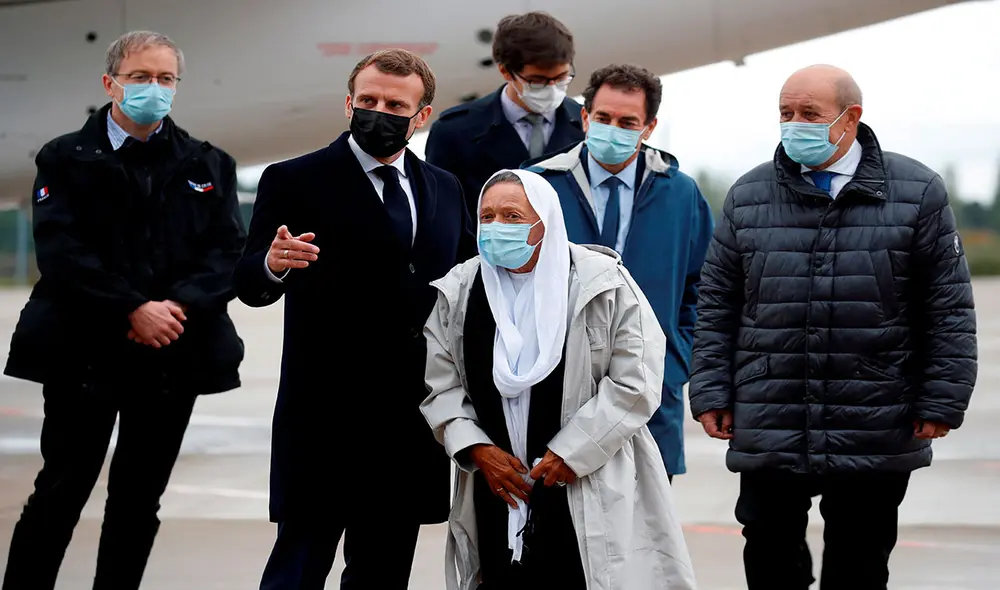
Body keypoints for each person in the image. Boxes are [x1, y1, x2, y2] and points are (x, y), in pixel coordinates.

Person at [689, 64, 978, 590]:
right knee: (770, 557)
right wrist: (710, 390)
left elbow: (948, 308)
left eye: (809, 113)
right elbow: (716, 303)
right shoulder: (749, 194)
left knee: (859, 562)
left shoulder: (917, 192)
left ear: (851, 118)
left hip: (874, 413)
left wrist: (942, 399)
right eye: (786, 113)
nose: (794, 124)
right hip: (771, 412)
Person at [2, 31, 247, 590]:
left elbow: (227, 253)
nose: (153, 88)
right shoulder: (64, 157)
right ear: (110, 83)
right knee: (61, 489)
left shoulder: (209, 163)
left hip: (170, 355)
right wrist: (133, 308)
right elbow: (62, 253)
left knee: (138, 500)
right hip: (83, 354)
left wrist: (173, 309)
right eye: (140, 77)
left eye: (165, 79)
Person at [234, 48, 476, 590]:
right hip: (325, 418)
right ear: (348, 104)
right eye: (368, 100)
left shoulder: (444, 187)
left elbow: (466, 282)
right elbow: (249, 283)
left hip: (409, 420)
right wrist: (272, 264)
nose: (378, 113)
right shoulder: (294, 178)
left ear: (422, 115)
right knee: (297, 571)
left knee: (382, 574)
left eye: (395, 105)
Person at [421, 168, 697, 590]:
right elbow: (442, 385)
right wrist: (477, 449)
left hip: (586, 477)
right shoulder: (460, 289)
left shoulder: (602, 282)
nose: (497, 227)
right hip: (495, 484)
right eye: (487, 216)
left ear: (545, 220)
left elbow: (636, 379)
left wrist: (571, 452)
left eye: (513, 216)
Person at [524, 64, 714, 481]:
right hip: (555, 389)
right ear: (585, 117)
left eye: (627, 122)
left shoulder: (681, 193)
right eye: (604, 117)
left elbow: (703, 288)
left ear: (649, 127)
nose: (613, 129)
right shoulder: (538, 185)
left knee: (646, 514)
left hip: (649, 393)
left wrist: (675, 361)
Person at [425, 11, 585, 218]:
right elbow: (439, 216)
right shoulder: (453, 132)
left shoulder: (587, 125)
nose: (552, 88)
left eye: (562, 77)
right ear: (505, 72)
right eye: (537, 81)